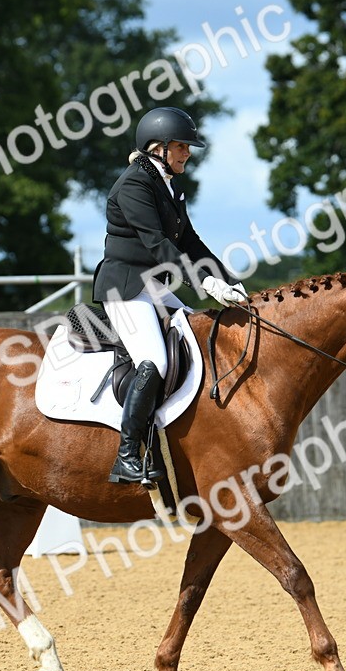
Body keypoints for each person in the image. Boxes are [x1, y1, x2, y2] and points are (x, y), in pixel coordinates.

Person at [92, 106, 248, 484]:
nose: (187, 154)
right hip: (125, 289)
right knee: (156, 361)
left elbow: (189, 241)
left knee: (197, 339)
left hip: (154, 288)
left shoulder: (167, 183)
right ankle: (127, 455)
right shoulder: (133, 185)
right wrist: (202, 282)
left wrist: (227, 279)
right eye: (181, 147)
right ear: (158, 147)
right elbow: (158, 243)